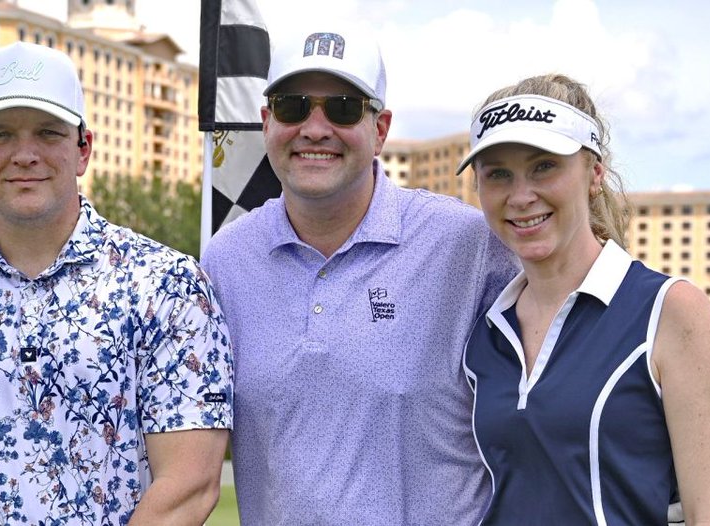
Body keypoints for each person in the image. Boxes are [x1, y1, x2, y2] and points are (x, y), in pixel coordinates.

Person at [0, 41, 233, 525]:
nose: (26, 154)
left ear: (83, 149)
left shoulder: (168, 287)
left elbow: (188, 484)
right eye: (0, 135)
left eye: (48, 132)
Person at [199, 23, 519, 525]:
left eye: (344, 108)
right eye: (293, 106)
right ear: (266, 121)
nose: (315, 128)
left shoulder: (469, 244)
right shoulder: (225, 260)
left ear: (381, 128)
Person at [459, 74, 710, 524]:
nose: (520, 196)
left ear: (594, 174)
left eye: (544, 166)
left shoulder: (669, 311)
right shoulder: (486, 330)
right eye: (498, 174)